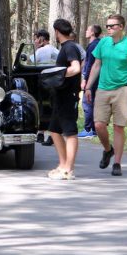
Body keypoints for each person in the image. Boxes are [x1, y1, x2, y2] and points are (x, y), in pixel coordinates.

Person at [84, 14, 127, 177]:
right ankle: (108, 150)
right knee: (98, 125)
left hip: (123, 90)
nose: (108, 28)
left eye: (112, 26)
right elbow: (96, 65)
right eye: (107, 26)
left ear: (121, 27)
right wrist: (88, 87)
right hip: (103, 89)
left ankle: (117, 163)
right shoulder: (103, 43)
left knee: (119, 127)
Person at [47, 19, 84, 180]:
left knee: (70, 132)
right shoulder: (67, 47)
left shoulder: (69, 47)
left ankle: (69, 170)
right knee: (54, 130)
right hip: (60, 96)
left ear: (56, 32)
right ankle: (62, 165)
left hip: (69, 95)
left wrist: (59, 74)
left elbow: (76, 68)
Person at [78, 25, 103, 138]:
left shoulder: (93, 45)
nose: (85, 31)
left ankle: (88, 129)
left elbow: (90, 65)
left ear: (93, 32)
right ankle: (93, 129)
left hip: (92, 80)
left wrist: (84, 79)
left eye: (87, 30)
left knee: (87, 103)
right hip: (99, 79)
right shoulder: (99, 44)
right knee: (93, 103)